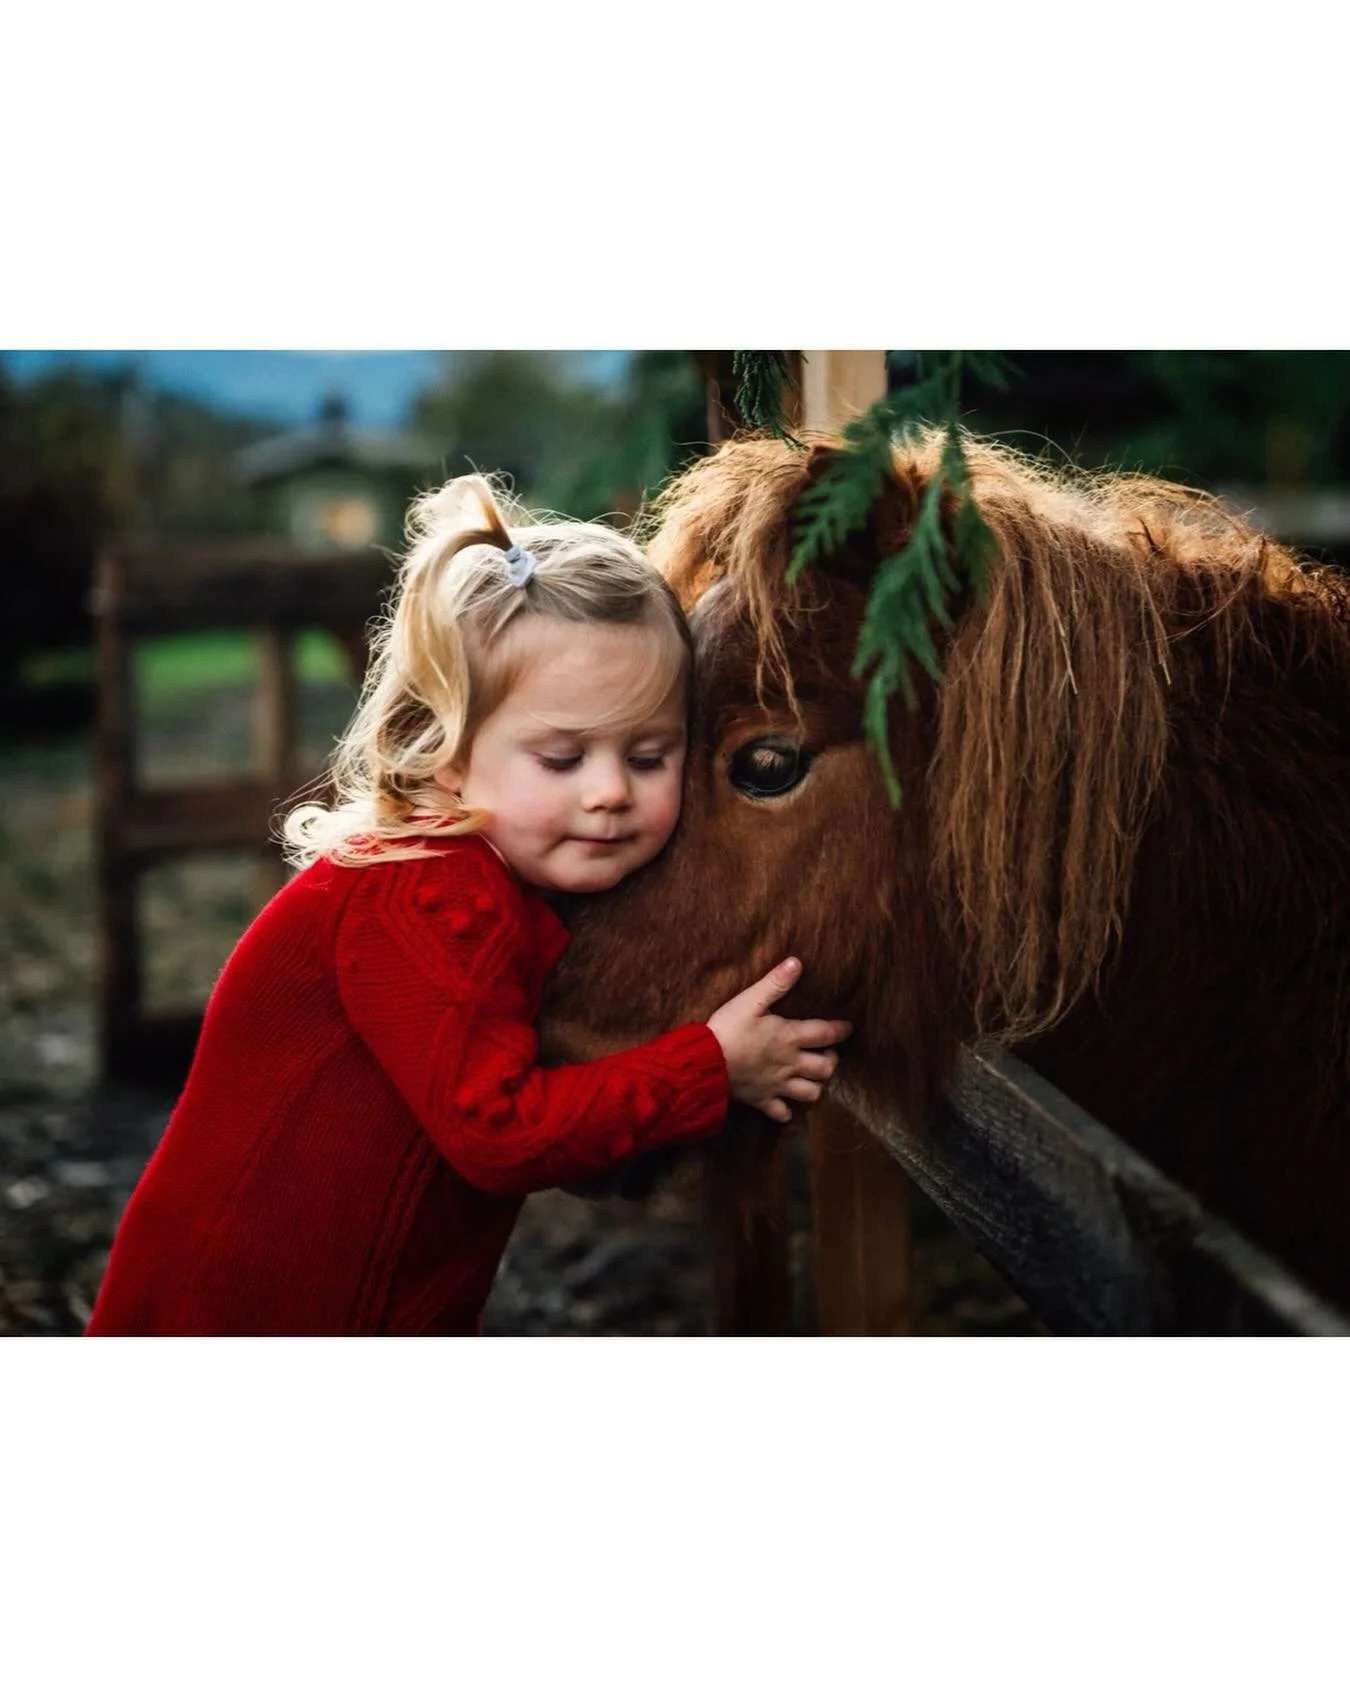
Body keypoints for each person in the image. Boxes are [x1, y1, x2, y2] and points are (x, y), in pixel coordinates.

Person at [86, 474, 850, 1336]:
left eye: (649, 754)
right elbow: (501, 1133)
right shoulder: (421, 888)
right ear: (442, 752)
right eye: (562, 760)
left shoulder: (513, 875)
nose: (609, 792)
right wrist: (710, 1066)